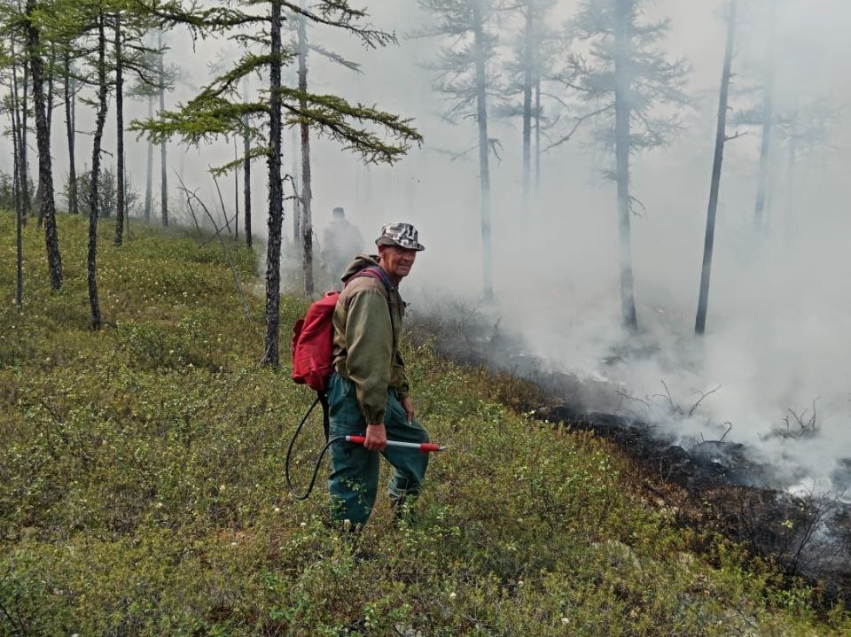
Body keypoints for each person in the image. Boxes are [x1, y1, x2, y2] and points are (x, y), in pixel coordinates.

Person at [327, 222, 428, 528]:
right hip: (354, 392)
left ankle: (402, 514)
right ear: (382, 250)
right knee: (356, 479)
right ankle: (342, 552)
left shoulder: (387, 286)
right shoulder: (371, 292)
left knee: (417, 445)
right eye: (400, 250)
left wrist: (402, 392)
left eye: (412, 251)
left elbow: (388, 350)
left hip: (376, 392)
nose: (407, 257)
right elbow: (368, 362)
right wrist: (375, 422)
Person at [321, 207, 365, 290]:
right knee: (345, 283)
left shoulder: (330, 229)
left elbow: (324, 248)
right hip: (337, 261)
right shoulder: (350, 228)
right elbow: (360, 245)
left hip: (343, 261)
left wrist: (324, 261)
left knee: (340, 284)